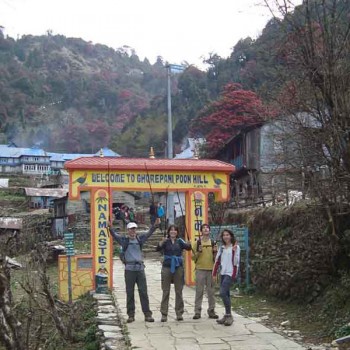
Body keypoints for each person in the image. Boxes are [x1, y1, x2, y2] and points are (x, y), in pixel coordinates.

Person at [108, 221, 157, 323]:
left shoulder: (140, 239)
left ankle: (147, 314)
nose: (133, 231)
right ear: (128, 230)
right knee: (130, 293)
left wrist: (155, 225)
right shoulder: (124, 240)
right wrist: (110, 228)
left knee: (143, 292)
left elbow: (149, 233)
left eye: (134, 229)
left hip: (140, 269)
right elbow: (115, 235)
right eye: (131, 229)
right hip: (129, 270)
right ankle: (131, 315)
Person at [156, 225, 192, 322]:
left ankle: (179, 313)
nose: (173, 232)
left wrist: (189, 244)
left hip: (178, 267)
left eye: (175, 230)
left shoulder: (180, 241)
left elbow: (188, 248)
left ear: (177, 232)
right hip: (167, 267)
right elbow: (158, 249)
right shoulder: (165, 241)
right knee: (166, 291)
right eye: (171, 230)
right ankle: (164, 314)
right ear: (168, 232)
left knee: (179, 291)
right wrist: (160, 243)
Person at [212, 229, 240, 326]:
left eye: (227, 235)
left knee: (222, 293)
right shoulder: (222, 248)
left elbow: (236, 262)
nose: (226, 237)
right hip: (223, 273)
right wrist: (214, 273)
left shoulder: (236, 247)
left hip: (230, 273)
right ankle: (227, 315)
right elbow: (217, 261)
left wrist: (233, 251)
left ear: (231, 236)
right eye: (224, 235)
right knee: (226, 294)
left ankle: (229, 315)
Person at [192, 224, 218, 320]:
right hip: (200, 270)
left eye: (207, 228)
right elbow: (193, 257)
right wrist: (198, 252)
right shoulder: (197, 243)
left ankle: (211, 310)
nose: (206, 229)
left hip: (211, 270)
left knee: (211, 292)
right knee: (199, 291)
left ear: (209, 231)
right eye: (203, 228)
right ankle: (197, 311)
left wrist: (215, 252)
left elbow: (216, 259)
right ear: (201, 231)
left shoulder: (213, 243)